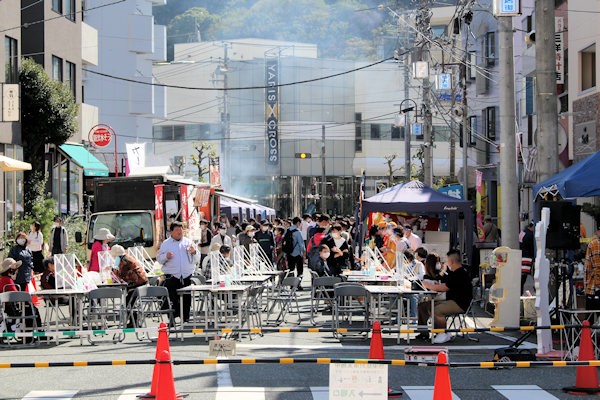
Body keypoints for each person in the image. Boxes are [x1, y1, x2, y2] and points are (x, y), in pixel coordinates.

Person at [418, 249, 472, 344]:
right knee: (424, 306)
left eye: (447, 260)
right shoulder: (456, 272)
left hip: (459, 303)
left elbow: (444, 287)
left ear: (451, 261)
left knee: (436, 310)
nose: (445, 262)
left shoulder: (459, 273)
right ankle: (424, 332)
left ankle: (442, 333)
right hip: (452, 301)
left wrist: (429, 285)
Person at [157, 221, 200, 323]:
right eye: (176, 230)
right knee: (171, 300)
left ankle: (185, 319)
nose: (179, 232)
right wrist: (166, 256)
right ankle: (172, 319)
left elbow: (197, 258)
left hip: (186, 276)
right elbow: (159, 259)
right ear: (171, 232)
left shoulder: (188, 242)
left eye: (181, 230)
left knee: (186, 298)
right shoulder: (166, 244)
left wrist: (194, 252)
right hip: (172, 276)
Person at [111, 245, 148, 327]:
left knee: (129, 301)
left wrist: (112, 270)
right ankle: (134, 321)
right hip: (140, 281)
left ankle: (134, 322)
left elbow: (121, 274)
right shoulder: (126, 257)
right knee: (130, 300)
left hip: (137, 283)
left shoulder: (124, 260)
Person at [584, 221, 600, 311]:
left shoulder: (594, 243)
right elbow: (598, 267)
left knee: (590, 319)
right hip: (595, 287)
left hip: (592, 288)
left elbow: (597, 267)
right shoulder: (596, 244)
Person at [286, 217, 306, 289]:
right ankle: (298, 284)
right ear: (298, 223)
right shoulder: (298, 232)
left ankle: (292, 284)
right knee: (299, 270)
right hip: (297, 253)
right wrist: (304, 253)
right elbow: (301, 244)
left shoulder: (287, 231)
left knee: (291, 269)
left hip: (289, 253)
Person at [519, 222, 535, 295]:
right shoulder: (530, 235)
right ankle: (520, 292)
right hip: (527, 257)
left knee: (522, 276)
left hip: (522, 256)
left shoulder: (522, 232)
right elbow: (531, 247)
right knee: (524, 276)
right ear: (531, 227)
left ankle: (520, 291)